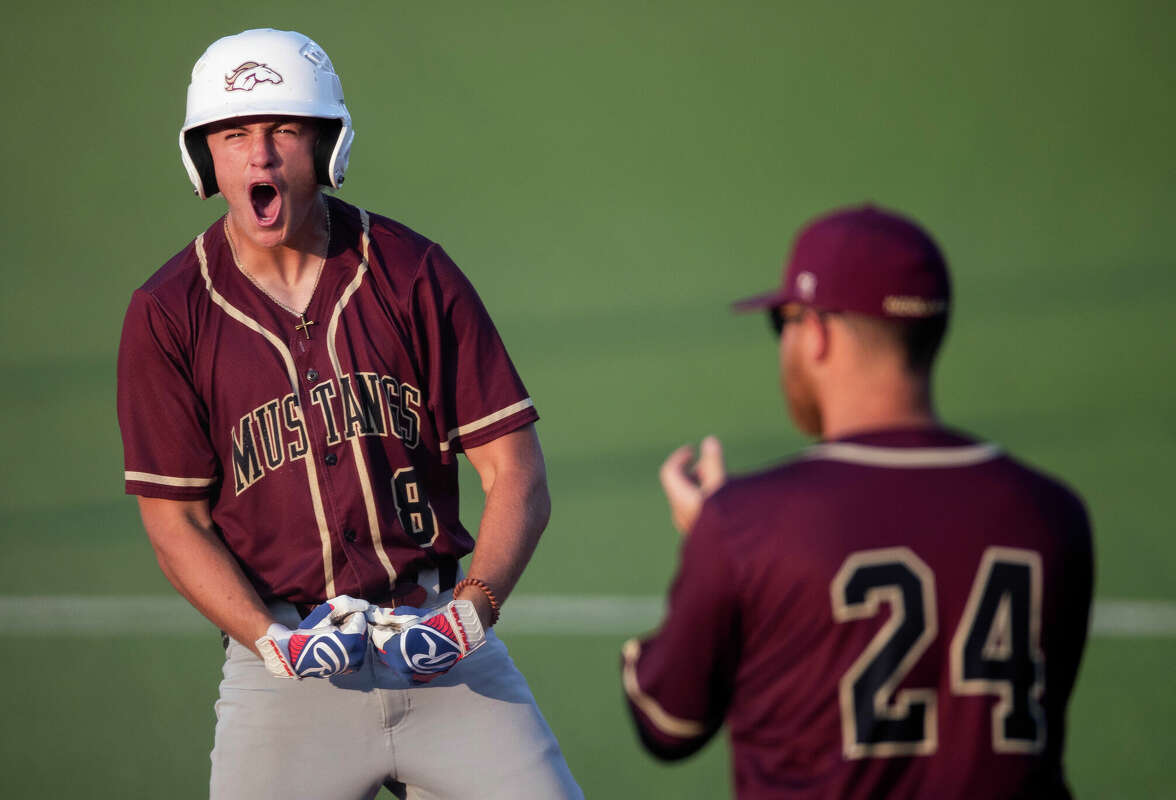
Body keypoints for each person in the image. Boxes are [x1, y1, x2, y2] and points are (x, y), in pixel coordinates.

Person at [117, 28, 581, 799]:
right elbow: (176, 524)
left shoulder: (411, 272)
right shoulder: (168, 313)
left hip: (443, 650)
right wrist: (270, 640)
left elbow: (517, 471)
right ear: (204, 157)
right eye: (235, 135)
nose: (260, 157)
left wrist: (473, 612)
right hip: (282, 670)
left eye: (284, 131)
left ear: (326, 145)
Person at [620, 205, 1094, 799]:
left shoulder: (747, 525)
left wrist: (718, 545)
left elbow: (667, 724)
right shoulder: (1053, 514)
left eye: (784, 322)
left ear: (816, 332)